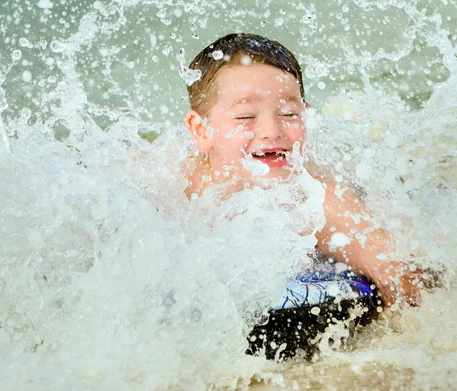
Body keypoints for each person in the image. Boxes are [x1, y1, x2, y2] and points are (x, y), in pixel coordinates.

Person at [182, 33, 424, 307]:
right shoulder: (176, 183)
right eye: (246, 117)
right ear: (201, 130)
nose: (272, 132)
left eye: (289, 114)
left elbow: (403, 277)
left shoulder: (315, 200)